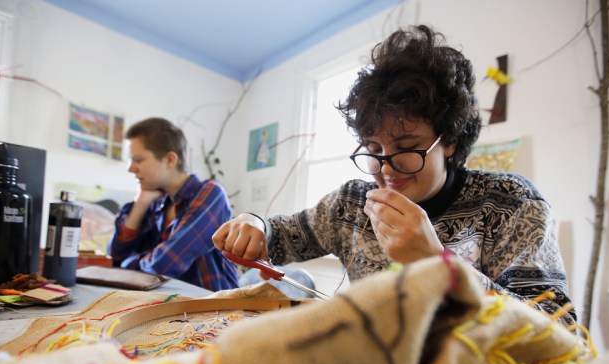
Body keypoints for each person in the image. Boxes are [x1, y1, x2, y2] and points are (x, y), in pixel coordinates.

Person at [212, 25, 575, 324]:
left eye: (405, 146)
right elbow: (283, 236)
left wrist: (438, 264)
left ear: (448, 140)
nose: (385, 168)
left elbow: (559, 331)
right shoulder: (353, 203)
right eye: (373, 149)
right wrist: (256, 225)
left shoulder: (510, 204)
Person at [109, 117, 238, 291]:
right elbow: (116, 254)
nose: (130, 168)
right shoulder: (157, 202)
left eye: (138, 160)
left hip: (216, 309)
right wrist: (140, 203)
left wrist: (127, 265)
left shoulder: (211, 194)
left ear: (170, 160)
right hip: (172, 309)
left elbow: (165, 264)